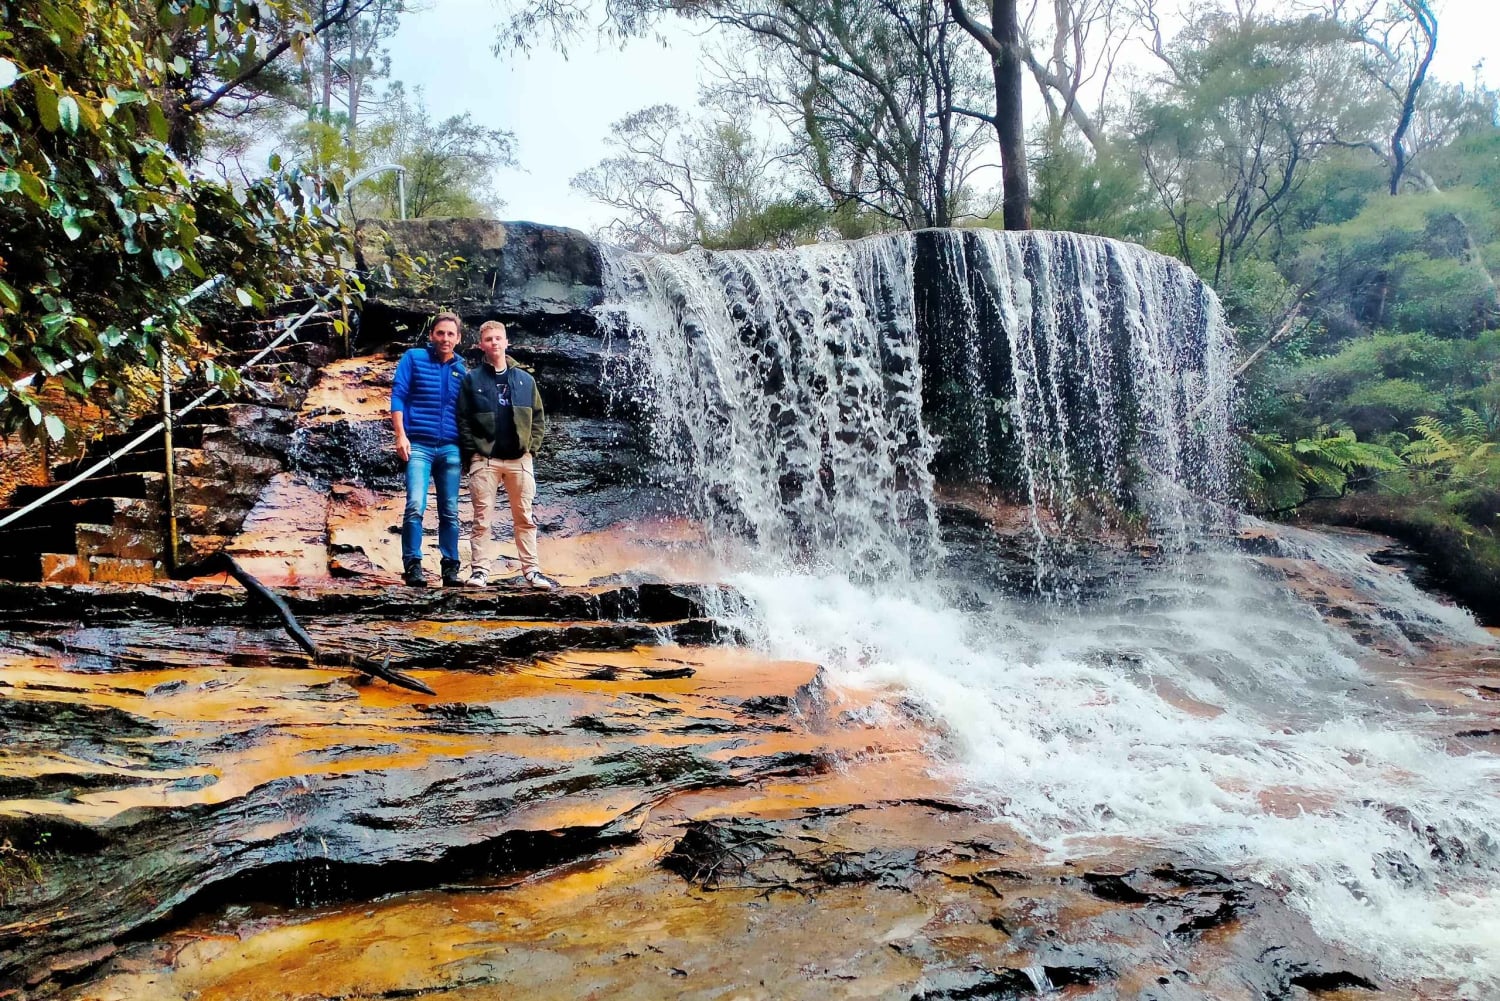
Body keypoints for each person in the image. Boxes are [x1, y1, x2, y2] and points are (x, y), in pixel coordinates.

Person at [457, 319, 557, 589]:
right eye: (489, 339)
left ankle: (532, 571)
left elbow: (538, 418)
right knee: (481, 519)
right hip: (485, 459)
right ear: (481, 345)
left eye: (498, 338)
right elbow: (463, 419)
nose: (494, 343)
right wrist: (473, 451)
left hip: (519, 460)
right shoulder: (472, 379)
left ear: (506, 342)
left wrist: (531, 449)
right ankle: (480, 571)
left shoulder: (525, 380)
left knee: (525, 517)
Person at [390, 311, 468, 588]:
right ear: (432, 335)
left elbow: (467, 413)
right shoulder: (413, 358)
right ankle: (413, 565)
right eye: (440, 333)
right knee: (415, 505)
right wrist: (401, 435)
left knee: (450, 510)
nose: (445, 338)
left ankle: (450, 569)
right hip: (419, 445)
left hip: (450, 448)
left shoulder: (462, 370)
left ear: (458, 339)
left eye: (450, 334)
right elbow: (398, 395)